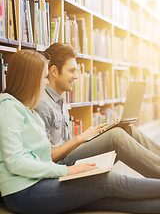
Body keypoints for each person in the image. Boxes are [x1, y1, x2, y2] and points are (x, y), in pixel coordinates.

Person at [1, 49, 160, 214]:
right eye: (44, 77)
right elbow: (16, 161)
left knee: (107, 198)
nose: (46, 83)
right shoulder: (9, 108)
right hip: (24, 192)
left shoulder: (28, 111)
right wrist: (67, 171)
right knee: (107, 181)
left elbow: (41, 155)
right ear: (30, 80)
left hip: (39, 181)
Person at [35, 43, 160, 179]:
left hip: (70, 155)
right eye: (71, 71)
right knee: (116, 136)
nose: (76, 76)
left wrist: (90, 139)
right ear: (54, 71)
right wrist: (79, 139)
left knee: (127, 130)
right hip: (61, 166)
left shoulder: (60, 101)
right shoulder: (41, 104)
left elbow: (66, 144)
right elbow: (47, 157)